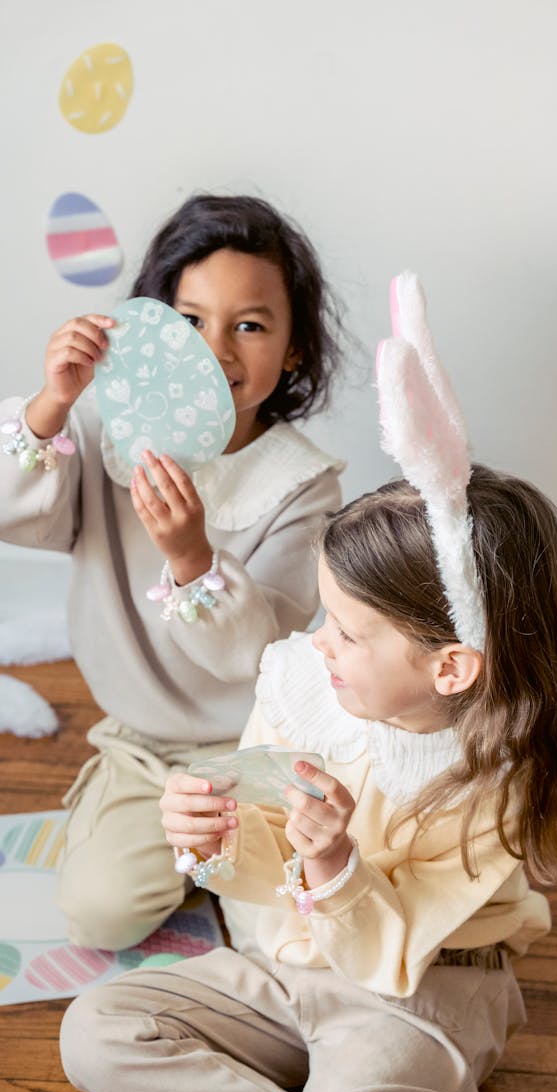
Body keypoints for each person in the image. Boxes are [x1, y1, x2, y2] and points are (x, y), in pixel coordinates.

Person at [59, 274, 557, 1092]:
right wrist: (214, 837)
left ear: (451, 669)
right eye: (329, 614)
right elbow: (263, 856)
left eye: (351, 633)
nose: (318, 640)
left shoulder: (496, 772)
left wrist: (335, 866)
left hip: (418, 997)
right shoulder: (302, 682)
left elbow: (393, 949)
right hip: (286, 969)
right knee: (94, 1028)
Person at [0, 194, 346, 951]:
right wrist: (54, 403)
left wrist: (193, 556)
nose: (217, 351)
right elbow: (11, 508)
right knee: (96, 912)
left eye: (249, 325)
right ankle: (162, 837)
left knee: (304, 930)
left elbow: (260, 651)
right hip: (142, 748)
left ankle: (213, 855)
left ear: (292, 349)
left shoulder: (301, 482)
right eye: (190, 322)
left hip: (252, 745)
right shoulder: (105, 434)